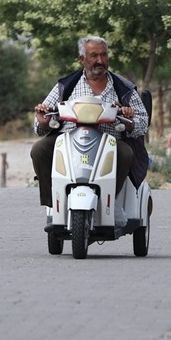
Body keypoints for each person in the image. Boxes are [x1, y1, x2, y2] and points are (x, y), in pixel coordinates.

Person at [31, 36, 149, 227]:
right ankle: (55, 202)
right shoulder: (66, 85)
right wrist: (43, 121)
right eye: (93, 55)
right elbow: (42, 120)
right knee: (39, 150)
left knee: (126, 152)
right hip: (69, 140)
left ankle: (113, 204)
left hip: (108, 141)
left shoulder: (122, 88)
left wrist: (129, 120)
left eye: (103, 55)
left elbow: (143, 121)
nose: (100, 61)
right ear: (82, 59)